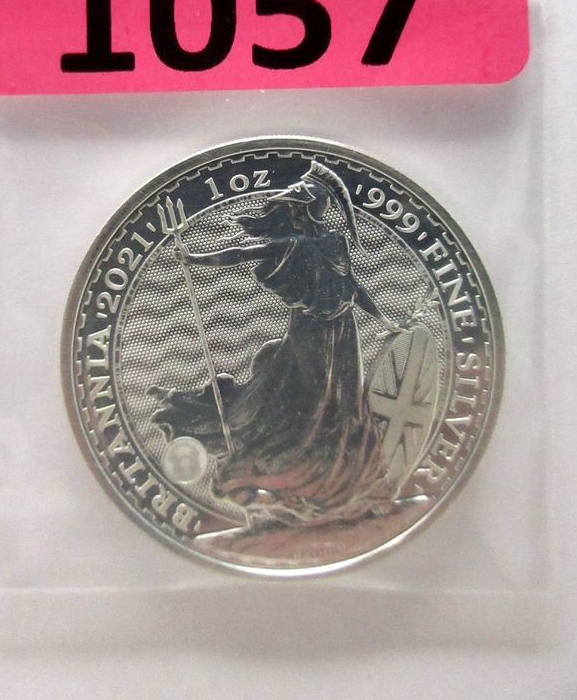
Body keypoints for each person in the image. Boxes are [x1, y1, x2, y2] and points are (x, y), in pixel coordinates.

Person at [150, 161, 400, 525]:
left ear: (303, 212)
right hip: (314, 332)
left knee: (341, 403)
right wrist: (194, 258)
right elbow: (239, 253)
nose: (289, 214)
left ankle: (344, 479)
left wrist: (385, 321)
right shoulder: (295, 244)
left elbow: (352, 287)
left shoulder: (331, 242)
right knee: (309, 401)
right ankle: (305, 476)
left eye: (293, 208)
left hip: (339, 333)